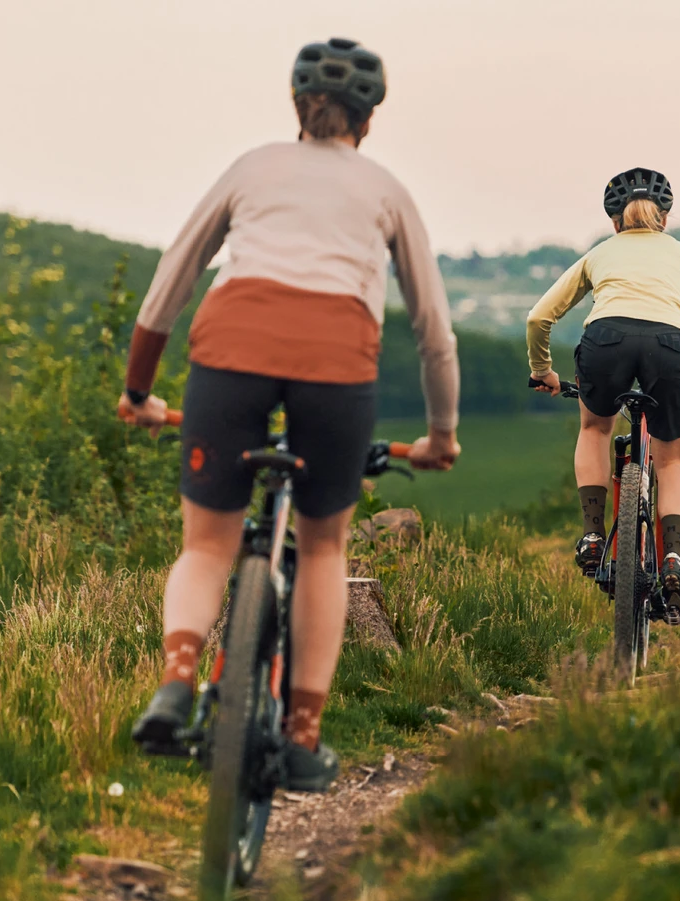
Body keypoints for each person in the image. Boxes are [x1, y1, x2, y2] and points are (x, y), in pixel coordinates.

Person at [119, 38, 460, 792]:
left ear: (297, 109)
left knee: (206, 545)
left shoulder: (253, 167)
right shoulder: (387, 191)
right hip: (336, 364)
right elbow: (433, 331)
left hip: (229, 350)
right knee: (325, 546)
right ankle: (301, 734)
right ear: (367, 121)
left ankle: (177, 683)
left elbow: (169, 286)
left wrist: (140, 391)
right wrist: (440, 435)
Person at [526, 167, 680, 625]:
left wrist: (543, 372)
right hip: (671, 348)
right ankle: (672, 558)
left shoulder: (599, 254)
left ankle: (593, 536)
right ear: (665, 218)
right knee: (673, 462)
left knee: (594, 429)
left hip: (605, 341)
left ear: (615, 222)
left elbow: (539, 318)